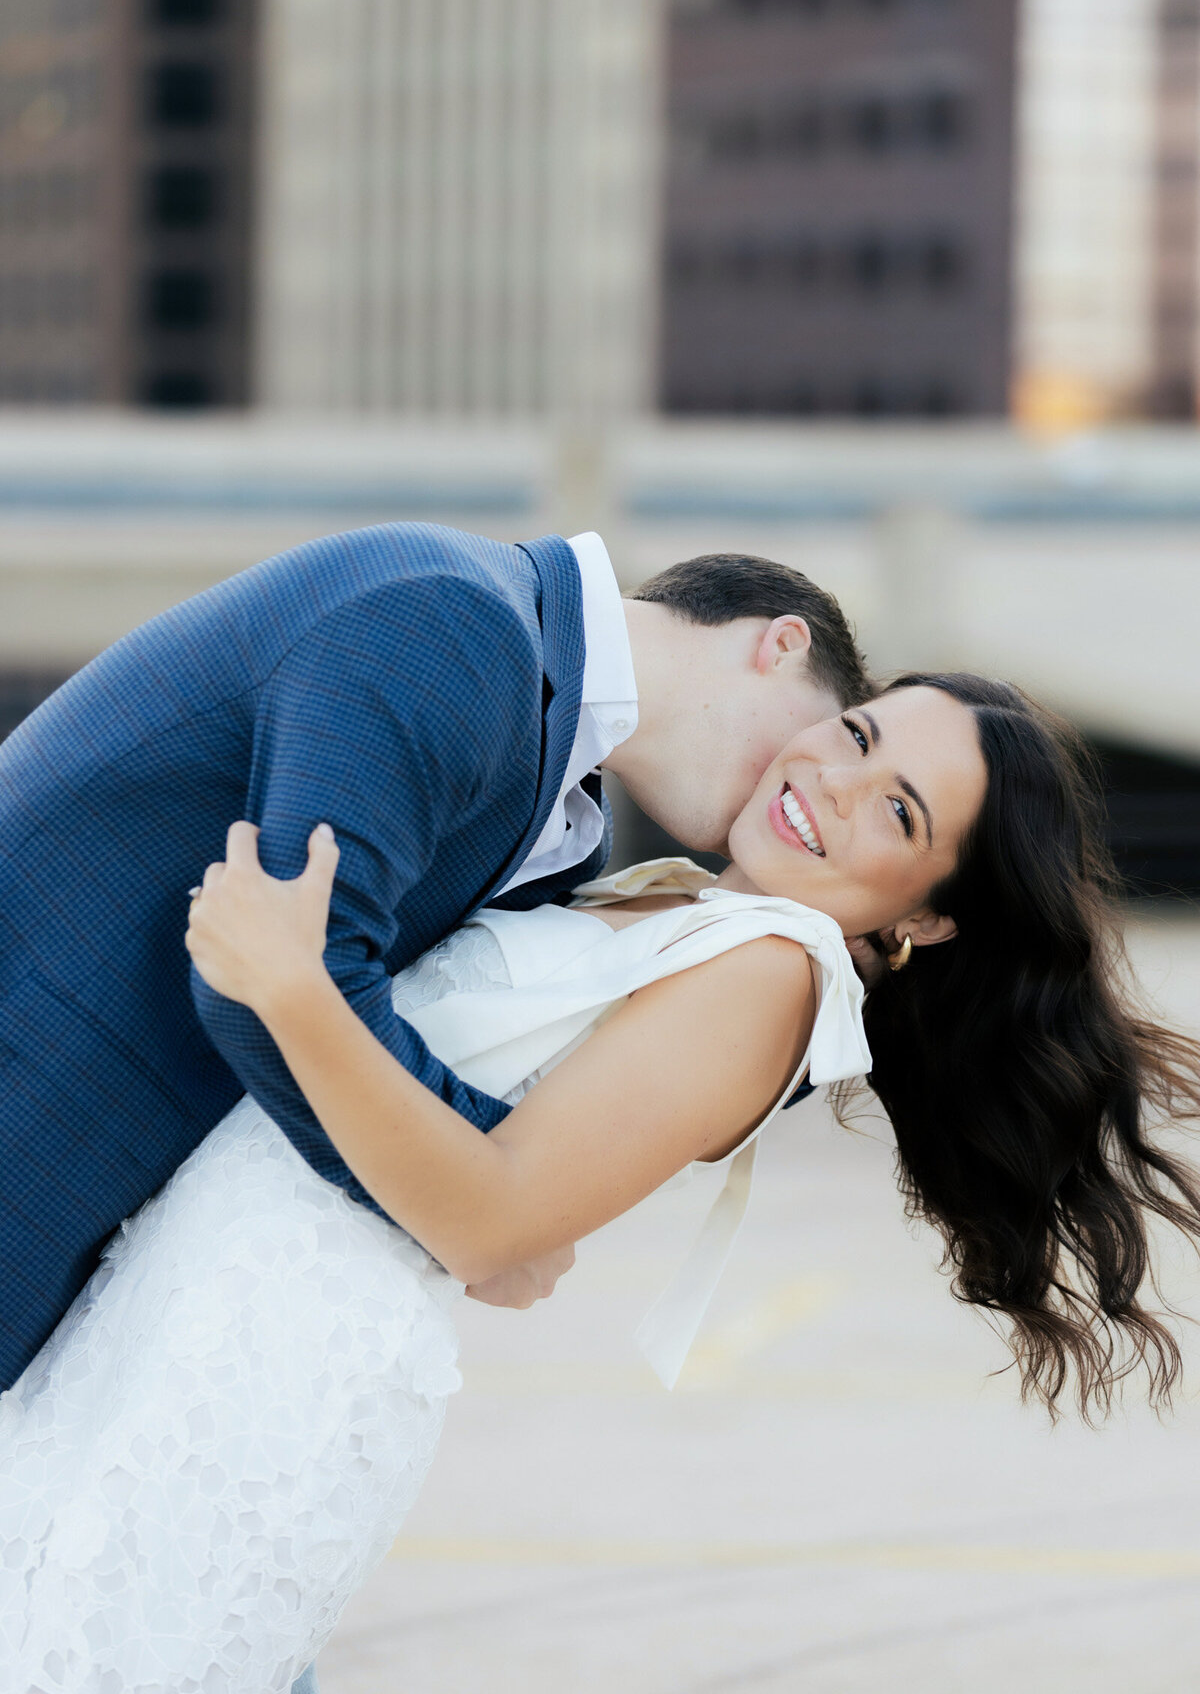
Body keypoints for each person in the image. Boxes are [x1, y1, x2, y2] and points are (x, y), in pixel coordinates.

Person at [5, 674, 1198, 1694]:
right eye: (862, 733)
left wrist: (293, 990)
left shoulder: (773, 972)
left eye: (895, 807)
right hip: (202, 1303)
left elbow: (491, 1217)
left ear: (932, 916)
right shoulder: (691, 907)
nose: (834, 779)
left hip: (269, 1358)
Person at [0, 526, 869, 1398]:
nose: (795, 790)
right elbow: (279, 975)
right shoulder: (459, 627)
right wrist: (484, 1207)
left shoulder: (562, 816)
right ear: (780, 644)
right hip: (35, 1096)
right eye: (834, 736)